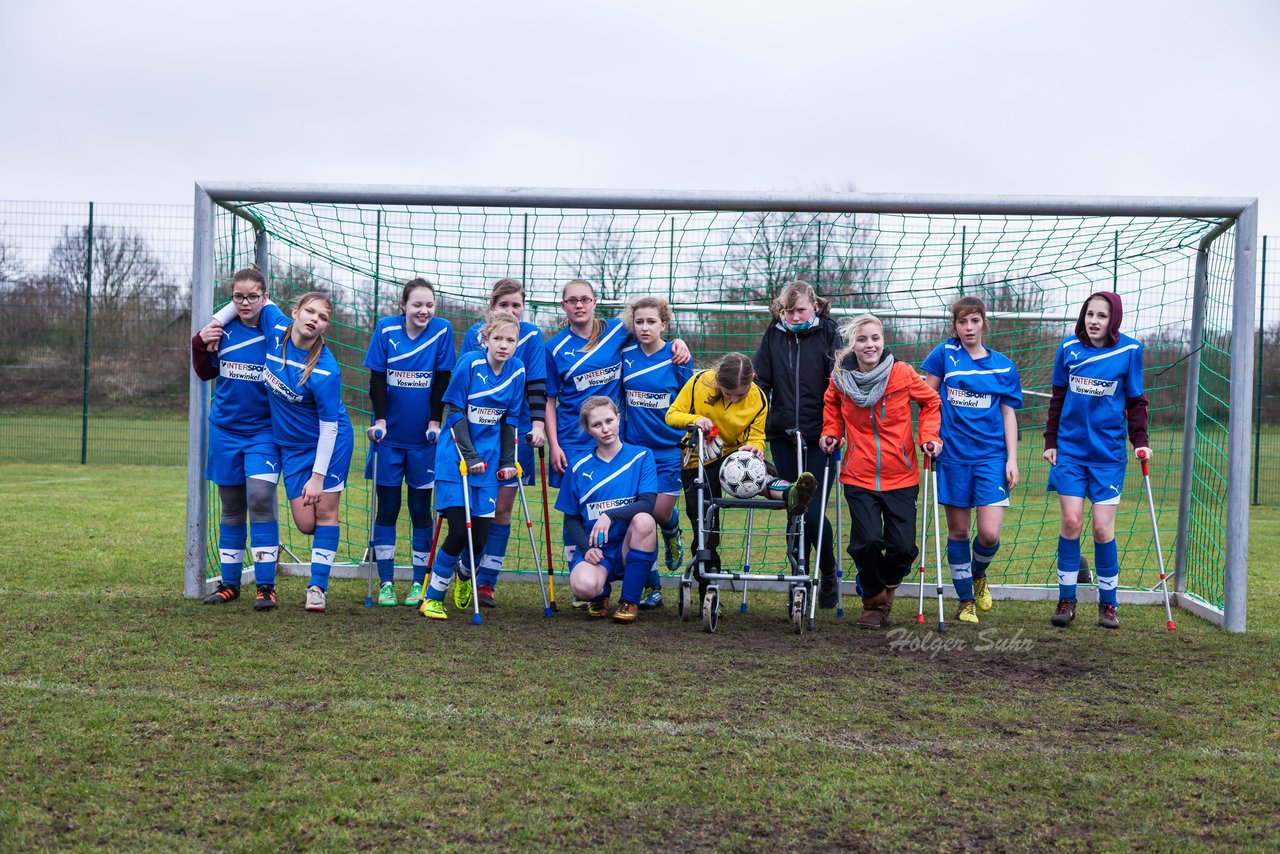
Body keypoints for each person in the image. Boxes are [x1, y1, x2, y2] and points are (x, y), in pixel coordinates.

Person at [820, 314, 941, 629]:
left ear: (883, 342)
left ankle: (886, 587)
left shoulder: (902, 374)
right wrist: (832, 431)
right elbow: (831, 405)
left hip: (901, 474)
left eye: (874, 338)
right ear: (853, 345)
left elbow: (931, 402)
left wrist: (928, 437)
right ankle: (873, 601)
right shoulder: (840, 377)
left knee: (903, 547)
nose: (869, 344)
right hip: (858, 475)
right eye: (862, 339)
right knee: (868, 541)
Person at [666, 353, 818, 599]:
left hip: (736, 457)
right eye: (728, 393)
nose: (735, 398)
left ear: (753, 380)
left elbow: (757, 435)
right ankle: (708, 580)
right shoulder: (698, 383)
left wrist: (755, 447)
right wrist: (697, 420)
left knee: (759, 473)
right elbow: (671, 415)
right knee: (705, 524)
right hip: (700, 461)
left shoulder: (758, 397)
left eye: (740, 394)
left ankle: (792, 494)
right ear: (717, 381)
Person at [1043, 292, 1150, 629]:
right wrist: (1050, 441)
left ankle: (1108, 605)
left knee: (1103, 529)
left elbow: (1135, 402)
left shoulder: (1129, 351)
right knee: (1072, 522)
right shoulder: (1068, 349)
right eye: (1090, 314)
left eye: (1102, 316)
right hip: (1071, 452)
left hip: (1107, 456)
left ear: (1113, 320)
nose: (1094, 321)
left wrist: (1140, 442)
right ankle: (1066, 600)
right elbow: (1057, 398)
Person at [921, 297, 1023, 625]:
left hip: (991, 458)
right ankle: (965, 601)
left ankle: (978, 574)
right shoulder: (943, 355)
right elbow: (927, 401)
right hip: (952, 457)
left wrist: (1012, 459)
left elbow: (1008, 415)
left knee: (990, 534)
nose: (969, 328)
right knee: (960, 531)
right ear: (955, 325)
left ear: (984, 323)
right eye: (963, 322)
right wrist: (931, 438)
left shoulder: (1004, 366)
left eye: (975, 321)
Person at [420, 311, 525, 620]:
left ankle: (465, 576)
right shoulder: (470, 363)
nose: (504, 345)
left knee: (479, 538)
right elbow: (453, 411)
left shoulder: (517, 371)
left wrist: (508, 462)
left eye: (510, 340)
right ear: (486, 339)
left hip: (489, 466)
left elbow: (509, 421)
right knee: (457, 532)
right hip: (456, 461)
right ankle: (433, 597)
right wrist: (470, 456)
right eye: (498, 338)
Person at [191, 268, 282, 611]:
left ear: (264, 297)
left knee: (259, 498)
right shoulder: (221, 330)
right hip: (225, 430)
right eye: (238, 297)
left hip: (264, 432)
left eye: (252, 296)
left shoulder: (276, 333)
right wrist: (199, 343)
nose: (245, 303)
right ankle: (230, 584)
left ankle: (266, 587)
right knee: (231, 507)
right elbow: (205, 372)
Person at [455, 279, 547, 608]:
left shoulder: (532, 336)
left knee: (502, 510)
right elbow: (462, 386)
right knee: (475, 511)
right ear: (492, 306)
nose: (510, 311)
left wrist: (538, 425)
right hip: (478, 437)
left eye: (516, 305)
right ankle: (465, 568)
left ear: (524, 308)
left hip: (514, 433)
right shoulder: (475, 334)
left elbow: (537, 384)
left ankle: (487, 582)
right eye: (504, 305)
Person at [260, 292, 354, 614]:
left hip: (329, 443)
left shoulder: (326, 369)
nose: (314, 319)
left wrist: (317, 478)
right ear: (296, 312)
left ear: (326, 326)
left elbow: (329, 428)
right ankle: (324, 540)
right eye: (310, 312)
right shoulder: (275, 329)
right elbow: (261, 299)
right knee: (304, 523)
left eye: (323, 317)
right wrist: (216, 323)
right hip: (291, 447)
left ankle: (317, 588)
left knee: (326, 513)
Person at [363, 278, 455, 608]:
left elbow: (442, 379)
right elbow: (376, 377)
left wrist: (435, 422)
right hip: (389, 440)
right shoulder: (386, 330)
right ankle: (386, 582)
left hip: (423, 442)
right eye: (417, 304)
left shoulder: (443, 331)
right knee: (388, 508)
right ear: (403, 306)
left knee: (420, 510)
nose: (424, 310)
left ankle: (419, 582)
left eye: (429, 304)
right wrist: (380, 420)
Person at [753, 281, 841, 607]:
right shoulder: (774, 333)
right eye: (788, 311)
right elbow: (761, 380)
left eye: (800, 310)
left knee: (813, 509)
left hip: (822, 438)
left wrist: (835, 427)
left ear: (814, 307)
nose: (794, 316)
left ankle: (827, 570)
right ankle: (799, 579)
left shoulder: (829, 332)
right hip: (783, 436)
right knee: (794, 507)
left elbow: (838, 380)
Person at [558, 396, 661, 623]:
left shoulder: (641, 456)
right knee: (583, 586)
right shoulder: (577, 465)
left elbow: (647, 503)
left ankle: (630, 600)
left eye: (608, 421)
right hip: (597, 550)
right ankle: (600, 595)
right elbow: (571, 517)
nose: (605, 429)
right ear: (588, 429)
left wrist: (609, 515)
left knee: (645, 520)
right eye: (596, 425)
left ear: (618, 419)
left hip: (629, 546)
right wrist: (586, 549)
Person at [620, 296, 693, 608]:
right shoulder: (625, 355)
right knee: (639, 517)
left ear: (664, 324)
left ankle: (673, 529)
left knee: (660, 513)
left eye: (651, 321)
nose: (645, 327)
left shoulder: (677, 358)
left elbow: (690, 400)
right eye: (639, 322)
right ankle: (653, 588)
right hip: (635, 451)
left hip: (669, 449)